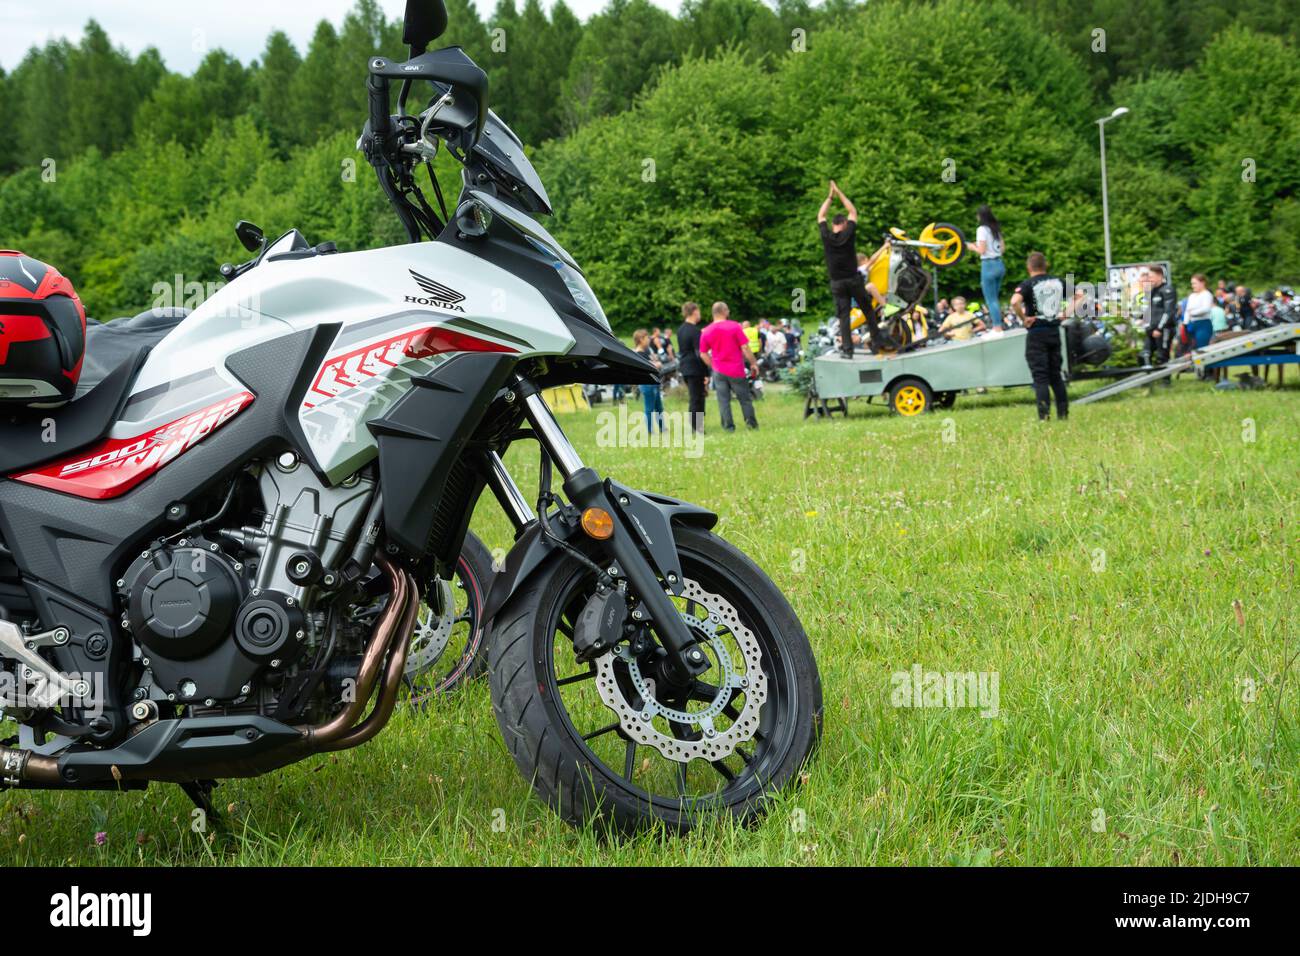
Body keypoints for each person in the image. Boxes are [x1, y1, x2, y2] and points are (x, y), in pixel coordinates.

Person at [818, 180, 887, 357]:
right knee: (868, 311)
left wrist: (830, 197)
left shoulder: (826, 236)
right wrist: (839, 192)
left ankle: (848, 351)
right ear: (844, 224)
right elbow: (853, 211)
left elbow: (821, 216)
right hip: (853, 280)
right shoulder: (848, 234)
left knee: (844, 318)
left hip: (837, 283)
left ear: (834, 225)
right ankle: (877, 343)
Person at [1009, 252, 1068, 421]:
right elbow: (1080, 295)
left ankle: (1044, 416)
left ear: (1029, 267)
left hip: (1036, 333)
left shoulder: (1028, 284)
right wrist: (1065, 313)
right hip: (1054, 331)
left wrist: (1024, 318)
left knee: (1041, 377)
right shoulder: (1058, 282)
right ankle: (1063, 415)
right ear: (1046, 265)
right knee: (1056, 375)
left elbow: (1014, 301)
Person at [699, 301, 759, 431]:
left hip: (719, 371)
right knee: (745, 399)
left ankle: (728, 427)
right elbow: (745, 347)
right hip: (736, 369)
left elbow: (703, 354)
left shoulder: (706, 330)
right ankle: (751, 425)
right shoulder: (735, 326)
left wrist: (713, 365)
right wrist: (753, 363)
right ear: (724, 311)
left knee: (723, 401)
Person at [971, 205, 1006, 330]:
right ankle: (999, 324)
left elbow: (981, 250)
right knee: (995, 299)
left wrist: (971, 247)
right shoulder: (996, 228)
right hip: (999, 264)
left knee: (991, 300)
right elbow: (1002, 249)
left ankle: (997, 327)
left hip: (988, 266)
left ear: (980, 216)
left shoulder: (981, 229)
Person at [676, 301, 708, 434]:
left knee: (694, 397)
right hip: (695, 368)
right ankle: (697, 427)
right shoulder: (695, 331)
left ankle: (695, 425)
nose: (699, 314)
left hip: (685, 367)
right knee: (697, 398)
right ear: (694, 312)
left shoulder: (680, 329)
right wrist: (707, 371)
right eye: (699, 311)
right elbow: (699, 353)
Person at [1142, 265, 1177, 368]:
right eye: (1148, 276)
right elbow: (1148, 310)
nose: (1149, 279)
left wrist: (1159, 328)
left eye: (1151, 276)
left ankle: (1165, 381)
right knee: (1145, 354)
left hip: (1164, 329)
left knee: (1162, 356)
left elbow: (1169, 312)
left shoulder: (1168, 290)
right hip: (1151, 329)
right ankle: (1147, 379)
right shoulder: (1151, 291)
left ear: (1160, 276)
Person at [632, 328, 665, 434]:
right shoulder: (639, 354)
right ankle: (650, 431)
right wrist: (657, 364)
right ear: (641, 339)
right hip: (647, 384)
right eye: (647, 338)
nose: (649, 340)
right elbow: (650, 366)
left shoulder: (644, 352)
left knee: (659, 407)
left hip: (653, 383)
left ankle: (662, 428)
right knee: (649, 409)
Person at [1184, 274, 1215, 349]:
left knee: (1202, 347)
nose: (1192, 286)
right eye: (1192, 283)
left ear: (1202, 283)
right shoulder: (1192, 295)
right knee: (1192, 347)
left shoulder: (1207, 294)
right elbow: (1187, 310)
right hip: (1191, 324)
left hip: (1203, 323)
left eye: (1194, 283)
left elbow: (1206, 309)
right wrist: (1185, 323)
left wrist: (1192, 312)